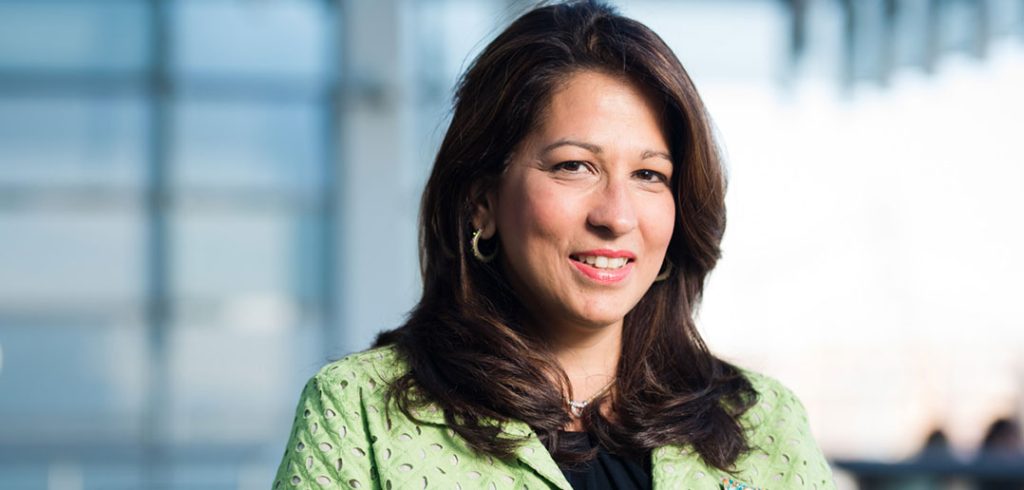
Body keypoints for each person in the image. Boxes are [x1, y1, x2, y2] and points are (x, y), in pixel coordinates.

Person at [273, 2, 834, 489]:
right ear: (482, 202)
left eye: (650, 175)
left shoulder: (761, 423)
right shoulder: (360, 413)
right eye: (574, 167)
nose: (616, 216)